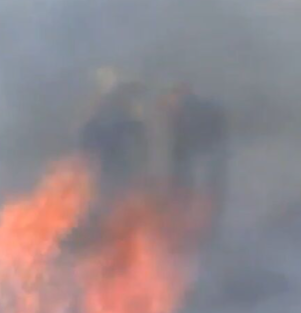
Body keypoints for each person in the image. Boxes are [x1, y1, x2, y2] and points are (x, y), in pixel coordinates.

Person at [161, 83, 229, 232]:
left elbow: (184, 145)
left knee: (195, 193)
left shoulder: (189, 113)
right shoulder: (195, 110)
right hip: (198, 162)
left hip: (198, 161)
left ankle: (193, 227)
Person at [79, 67, 148, 202]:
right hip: (106, 154)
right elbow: (88, 130)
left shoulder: (122, 105)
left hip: (119, 153)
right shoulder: (100, 106)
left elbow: (136, 129)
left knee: (118, 186)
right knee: (106, 186)